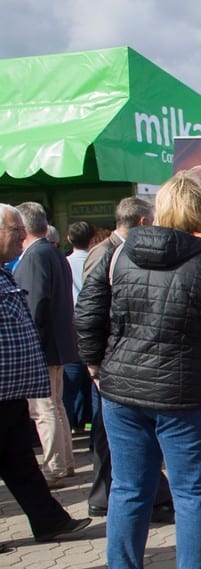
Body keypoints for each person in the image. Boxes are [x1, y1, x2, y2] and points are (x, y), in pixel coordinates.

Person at [76, 171, 201, 569]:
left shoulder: (119, 255)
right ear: (200, 212)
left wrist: (96, 366)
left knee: (129, 487)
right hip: (182, 393)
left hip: (123, 391)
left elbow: (87, 316)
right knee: (192, 492)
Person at [0, 204, 92, 547]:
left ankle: (50, 520)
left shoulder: (9, 268)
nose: (21, 236)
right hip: (5, 390)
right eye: (14, 230)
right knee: (18, 457)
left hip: (9, 391)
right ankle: (49, 519)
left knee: (20, 459)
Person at [78, 198, 173, 521]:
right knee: (109, 437)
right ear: (144, 223)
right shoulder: (107, 254)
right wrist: (95, 365)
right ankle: (106, 496)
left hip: (119, 362)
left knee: (114, 437)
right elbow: (91, 312)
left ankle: (127, 496)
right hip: (111, 363)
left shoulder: (123, 252)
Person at [13, 202, 78, 486]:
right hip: (57, 343)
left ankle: (55, 466)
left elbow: (35, 302)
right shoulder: (52, 252)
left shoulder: (36, 255)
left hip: (44, 345)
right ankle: (64, 462)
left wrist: (31, 342)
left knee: (44, 409)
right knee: (54, 405)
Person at [63, 220, 95, 433]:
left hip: (72, 329)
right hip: (93, 325)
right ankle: (94, 435)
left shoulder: (64, 263)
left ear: (68, 239)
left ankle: (70, 430)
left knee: (70, 388)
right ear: (92, 239)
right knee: (95, 386)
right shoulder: (97, 260)